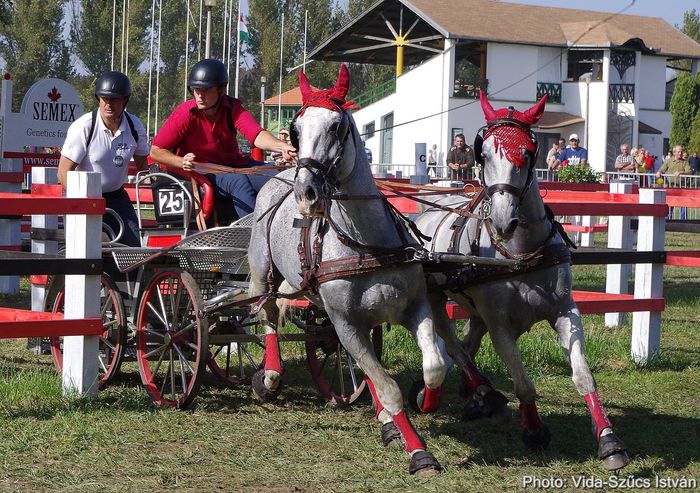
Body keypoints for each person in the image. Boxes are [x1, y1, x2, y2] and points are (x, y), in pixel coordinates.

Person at [150, 58, 296, 218]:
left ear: (221, 90)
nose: (199, 95)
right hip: (200, 168)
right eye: (195, 89)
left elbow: (256, 135)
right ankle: (252, 236)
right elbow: (156, 151)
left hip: (233, 165)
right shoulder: (185, 113)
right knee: (237, 182)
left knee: (284, 179)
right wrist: (181, 162)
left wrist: (282, 146)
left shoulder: (233, 108)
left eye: (205, 89)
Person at [58, 71, 149, 247]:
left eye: (114, 99)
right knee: (88, 250)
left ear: (125, 100)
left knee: (134, 249)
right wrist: (81, 202)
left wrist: (159, 177)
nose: (108, 104)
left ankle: (122, 275)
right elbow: (63, 173)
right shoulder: (84, 127)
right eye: (104, 98)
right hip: (84, 197)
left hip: (116, 198)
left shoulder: (134, 126)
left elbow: (143, 167)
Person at [656, 145, 691, 219]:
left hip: (682, 188)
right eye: (679, 152)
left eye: (681, 151)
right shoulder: (669, 161)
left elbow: (689, 172)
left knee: (683, 205)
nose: (680, 153)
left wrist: (681, 172)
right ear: (674, 152)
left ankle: (683, 222)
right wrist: (659, 172)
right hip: (670, 188)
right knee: (669, 205)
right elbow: (662, 169)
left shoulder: (685, 162)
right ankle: (668, 221)